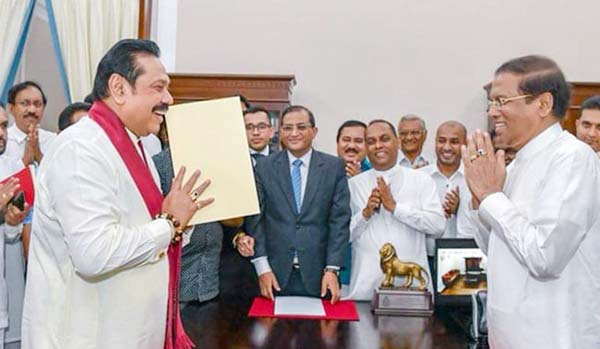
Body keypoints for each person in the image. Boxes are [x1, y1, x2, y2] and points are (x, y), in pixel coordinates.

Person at [22, 39, 213, 349]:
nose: (169, 99)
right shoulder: (80, 148)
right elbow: (94, 254)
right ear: (119, 88)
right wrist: (169, 224)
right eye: (158, 87)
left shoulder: (135, 147)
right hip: (87, 336)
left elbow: (144, 232)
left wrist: (180, 225)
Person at [462, 55, 600, 348]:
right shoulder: (514, 165)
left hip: (554, 336)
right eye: (491, 103)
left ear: (543, 104)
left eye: (501, 101)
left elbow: (545, 257)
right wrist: (478, 202)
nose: (492, 112)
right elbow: (497, 249)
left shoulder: (572, 158)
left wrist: (491, 196)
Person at [239, 105, 350, 303]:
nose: (294, 133)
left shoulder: (333, 167)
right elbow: (256, 221)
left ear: (314, 131)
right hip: (274, 276)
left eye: (301, 127)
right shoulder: (264, 167)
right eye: (288, 128)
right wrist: (262, 268)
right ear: (280, 132)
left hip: (321, 277)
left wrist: (332, 269)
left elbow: (339, 222)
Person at [345, 120, 445, 301]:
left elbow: (438, 226)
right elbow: (343, 236)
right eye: (371, 141)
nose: (378, 146)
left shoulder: (421, 181)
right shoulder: (354, 185)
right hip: (364, 291)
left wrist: (396, 208)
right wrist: (365, 213)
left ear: (398, 142)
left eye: (384, 139)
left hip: (414, 292)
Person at [153, 149, 223, 306]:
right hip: (174, 291)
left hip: (211, 283)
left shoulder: (217, 157)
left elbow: (235, 220)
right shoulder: (159, 164)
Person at [419, 121, 476, 270]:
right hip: (426, 258)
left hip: (464, 257)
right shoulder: (420, 177)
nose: (447, 147)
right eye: (441, 141)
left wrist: (460, 210)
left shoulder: (475, 176)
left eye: (454, 142)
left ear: (465, 144)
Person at [0, 103, 30, 349]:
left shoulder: (11, 167)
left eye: (3, 125)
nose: (2, 133)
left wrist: (11, 222)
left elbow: (10, 236)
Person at [335, 120, 371, 286]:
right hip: (331, 259)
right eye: (346, 140)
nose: (351, 146)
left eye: (358, 141)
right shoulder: (323, 171)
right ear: (337, 143)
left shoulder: (377, 175)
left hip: (365, 257)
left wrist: (358, 181)